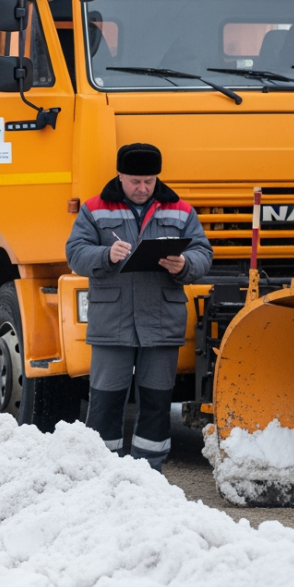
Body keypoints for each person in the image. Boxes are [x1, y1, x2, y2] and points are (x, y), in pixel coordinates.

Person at [65, 143, 212, 472]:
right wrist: (105, 255)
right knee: (105, 399)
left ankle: (149, 471)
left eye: (149, 181)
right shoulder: (94, 209)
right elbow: (75, 253)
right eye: (135, 181)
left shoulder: (181, 211)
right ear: (120, 176)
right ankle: (100, 471)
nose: (142, 188)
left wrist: (184, 264)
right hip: (111, 323)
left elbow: (204, 253)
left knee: (158, 402)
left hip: (161, 323)